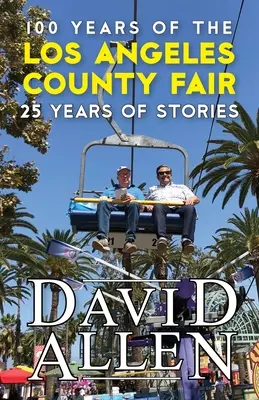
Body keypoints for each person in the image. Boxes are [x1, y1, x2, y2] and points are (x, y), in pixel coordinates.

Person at [145, 165, 199, 254]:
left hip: (180, 207)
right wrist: (149, 206)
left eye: (167, 172)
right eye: (161, 173)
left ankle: (187, 240)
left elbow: (196, 199)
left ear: (171, 175)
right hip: (163, 208)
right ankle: (162, 238)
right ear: (158, 177)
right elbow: (145, 203)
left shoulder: (181, 187)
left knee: (190, 208)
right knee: (158, 206)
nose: (165, 174)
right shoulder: (153, 189)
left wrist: (191, 200)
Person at [92, 166, 144, 254]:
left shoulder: (137, 191)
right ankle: (103, 239)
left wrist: (133, 198)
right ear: (117, 177)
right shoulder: (109, 191)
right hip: (114, 208)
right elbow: (102, 204)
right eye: (121, 175)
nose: (124, 176)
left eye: (126, 174)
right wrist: (109, 199)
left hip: (130, 208)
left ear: (130, 176)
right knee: (103, 202)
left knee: (134, 204)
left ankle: (129, 241)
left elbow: (143, 207)